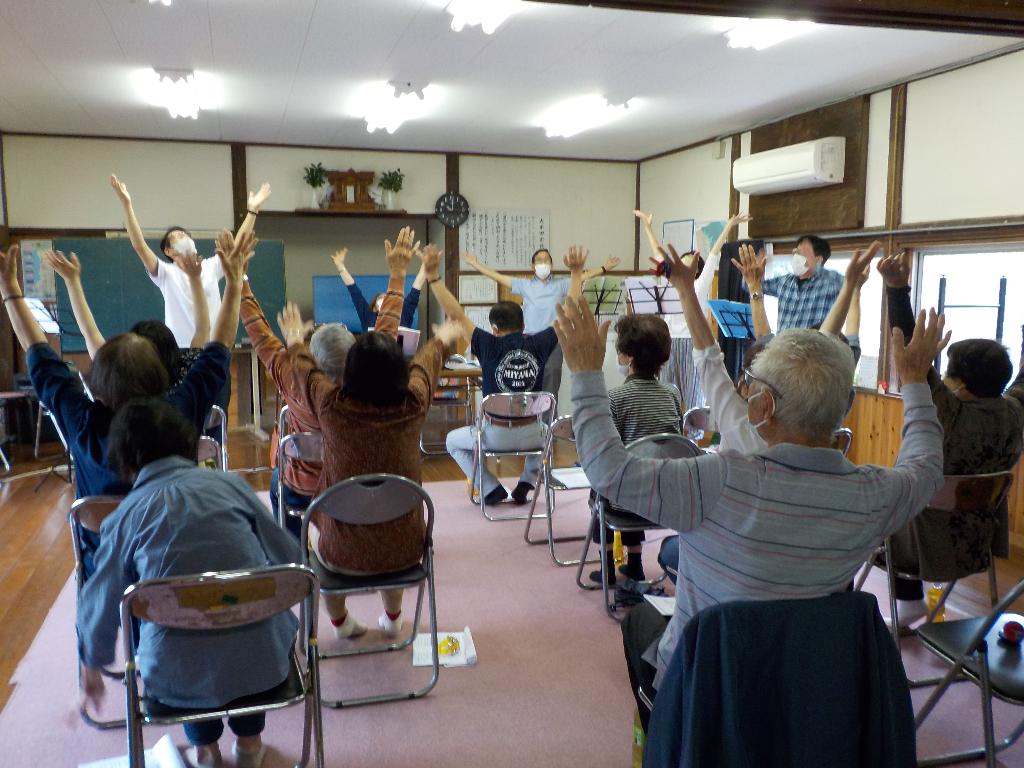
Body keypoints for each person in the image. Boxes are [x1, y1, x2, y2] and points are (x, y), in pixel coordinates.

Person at [552, 245, 948, 731]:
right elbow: (926, 466)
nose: (742, 388)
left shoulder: (715, 480)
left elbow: (608, 472)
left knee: (640, 623)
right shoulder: (872, 495)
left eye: (749, 383)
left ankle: (664, 736)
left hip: (709, 685)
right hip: (806, 684)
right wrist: (916, 382)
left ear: (762, 405)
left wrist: (585, 374)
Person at [0, 233, 252, 576]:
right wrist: (234, 284)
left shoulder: (83, 423)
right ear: (162, 376)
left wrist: (10, 293)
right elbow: (218, 346)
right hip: (174, 569)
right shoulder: (180, 410)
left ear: (100, 382)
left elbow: (39, 352)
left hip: (107, 571)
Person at [78, 398, 301, 768]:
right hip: (263, 662)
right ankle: (249, 745)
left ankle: (205, 751)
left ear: (126, 463)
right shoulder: (232, 486)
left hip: (177, 677)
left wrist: (92, 665)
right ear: (188, 444)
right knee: (248, 637)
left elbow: (98, 599)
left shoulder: (124, 517)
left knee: (183, 649)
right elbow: (292, 560)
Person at [263, 229, 464, 638]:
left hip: (340, 555)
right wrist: (443, 341)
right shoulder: (414, 402)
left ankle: (341, 623)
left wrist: (295, 341)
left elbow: (303, 370)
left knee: (320, 551)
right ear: (400, 372)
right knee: (389, 533)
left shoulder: (331, 407)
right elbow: (426, 362)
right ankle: (393, 618)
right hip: (405, 552)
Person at [879, 249, 1024, 624]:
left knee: (880, 503)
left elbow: (912, 356)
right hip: (976, 545)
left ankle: (906, 601)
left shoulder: (947, 413)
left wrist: (897, 290)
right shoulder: (1014, 413)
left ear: (959, 383)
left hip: (918, 547)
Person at [437, 247, 586, 505]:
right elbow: (569, 312)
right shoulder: (540, 343)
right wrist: (576, 273)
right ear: (524, 325)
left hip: (494, 435)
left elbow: (456, 314)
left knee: (452, 442)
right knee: (547, 430)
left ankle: (489, 486)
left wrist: (433, 277)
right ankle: (527, 481)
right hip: (532, 434)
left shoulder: (487, 344)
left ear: (494, 329)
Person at [242, 246, 361, 537]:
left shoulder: (294, 383)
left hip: (300, 487)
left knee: (278, 484)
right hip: (348, 486)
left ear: (313, 358)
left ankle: (293, 549)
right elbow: (386, 329)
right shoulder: (366, 392)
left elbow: (260, 337)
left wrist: (240, 279)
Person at [588, 314, 682, 586]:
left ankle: (607, 567)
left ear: (627, 357)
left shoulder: (616, 398)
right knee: (641, 473)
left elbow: (609, 455)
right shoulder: (672, 394)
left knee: (604, 485)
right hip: (666, 498)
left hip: (626, 502)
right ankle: (635, 564)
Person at [463, 247, 617, 400]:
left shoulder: (561, 284)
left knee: (551, 385)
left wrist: (605, 267)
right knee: (527, 382)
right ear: (533, 266)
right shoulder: (524, 285)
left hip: (553, 340)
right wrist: (475, 263)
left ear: (552, 265)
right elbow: (497, 276)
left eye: (546, 260)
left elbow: (581, 276)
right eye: (539, 260)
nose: (543, 263)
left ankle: (549, 414)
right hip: (528, 341)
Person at [43, 249, 211, 388]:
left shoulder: (122, 379)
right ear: (173, 349)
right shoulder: (186, 376)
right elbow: (203, 329)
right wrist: (195, 279)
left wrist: (72, 281)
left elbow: (89, 333)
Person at [756, 234, 843, 331]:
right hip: (783, 340)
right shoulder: (785, 281)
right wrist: (756, 275)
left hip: (814, 341)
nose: (796, 257)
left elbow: (853, 285)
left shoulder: (832, 281)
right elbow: (753, 288)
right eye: (795, 252)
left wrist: (817, 269)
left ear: (818, 260)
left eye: (801, 253)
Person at [332, 246, 425, 332]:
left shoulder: (404, 314)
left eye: (388, 298)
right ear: (374, 308)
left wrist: (425, 266)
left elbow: (415, 290)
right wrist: (341, 267)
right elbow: (355, 292)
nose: (386, 300)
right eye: (381, 298)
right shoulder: (368, 317)